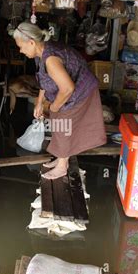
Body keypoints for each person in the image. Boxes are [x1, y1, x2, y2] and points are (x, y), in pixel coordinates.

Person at [13, 22, 107, 179]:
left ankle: (63, 166)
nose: (20, 50)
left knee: (62, 122)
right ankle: (61, 158)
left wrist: (54, 107)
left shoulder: (51, 59)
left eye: (21, 46)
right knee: (58, 119)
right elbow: (44, 79)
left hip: (80, 90)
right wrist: (39, 101)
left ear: (31, 42)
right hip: (70, 89)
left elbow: (67, 89)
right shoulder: (41, 52)